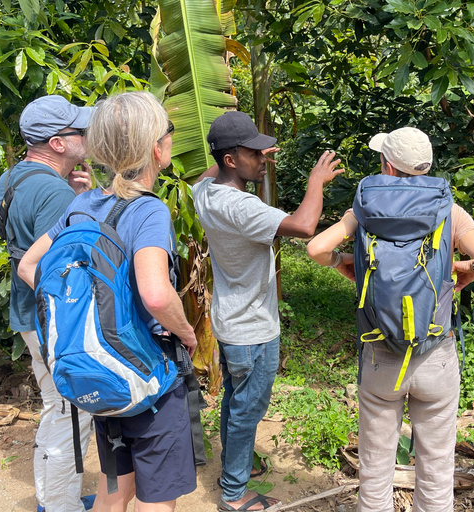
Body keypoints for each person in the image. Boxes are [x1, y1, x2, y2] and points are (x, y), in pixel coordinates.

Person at [307, 127, 474, 512]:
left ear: (387, 165)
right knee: (435, 468)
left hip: (381, 355)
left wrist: (342, 263)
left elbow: (317, 247)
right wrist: (466, 269)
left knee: (376, 467)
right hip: (436, 355)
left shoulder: (365, 207)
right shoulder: (449, 209)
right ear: (426, 166)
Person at [18, 91, 199, 512]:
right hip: (150, 375)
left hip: (101, 371)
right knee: (157, 498)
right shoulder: (148, 211)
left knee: (113, 491)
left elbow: (30, 267)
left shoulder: (83, 204)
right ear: (157, 148)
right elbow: (155, 294)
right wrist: (186, 332)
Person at [191, 111, 343, 511]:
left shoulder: (204, 191)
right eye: (253, 153)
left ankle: (233, 467)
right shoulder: (242, 207)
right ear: (229, 160)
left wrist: (242, 151)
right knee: (248, 408)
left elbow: (210, 172)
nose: (263, 159)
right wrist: (315, 181)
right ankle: (234, 493)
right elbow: (304, 226)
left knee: (235, 400)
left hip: (230, 321)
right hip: (252, 328)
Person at [0, 95, 95, 512]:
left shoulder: (14, 177)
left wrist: (68, 195)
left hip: (26, 314)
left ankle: (51, 499)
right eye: (79, 132)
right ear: (57, 143)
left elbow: (17, 233)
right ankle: (61, 506)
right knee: (73, 412)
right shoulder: (53, 192)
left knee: (56, 405)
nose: (87, 136)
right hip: (52, 320)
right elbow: (58, 271)